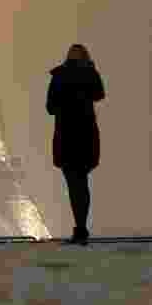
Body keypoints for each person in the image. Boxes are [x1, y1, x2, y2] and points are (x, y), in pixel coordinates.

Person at [46, 43, 105, 245]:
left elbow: (50, 107)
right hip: (85, 134)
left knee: (74, 184)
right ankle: (81, 227)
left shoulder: (59, 75)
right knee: (81, 184)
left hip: (67, 135)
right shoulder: (89, 73)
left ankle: (80, 228)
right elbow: (99, 94)